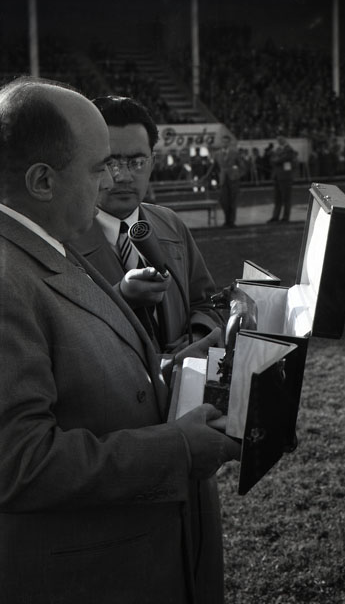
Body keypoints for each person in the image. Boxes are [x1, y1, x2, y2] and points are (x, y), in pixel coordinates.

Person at [0, 76, 240, 604]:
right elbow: (19, 462)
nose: (112, 181)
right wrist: (178, 446)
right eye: (98, 167)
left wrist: (174, 369)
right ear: (43, 181)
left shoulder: (48, 245)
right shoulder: (10, 277)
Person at [72, 95, 223, 355]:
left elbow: (206, 303)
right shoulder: (62, 241)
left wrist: (197, 336)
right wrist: (120, 297)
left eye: (137, 162)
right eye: (110, 162)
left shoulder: (171, 225)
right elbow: (61, 340)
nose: (124, 176)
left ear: (153, 161)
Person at [212, 134, 243, 228]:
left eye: (226, 142)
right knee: (224, 201)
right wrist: (216, 177)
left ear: (229, 143)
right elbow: (213, 167)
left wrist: (237, 175)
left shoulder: (235, 153)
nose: (224, 144)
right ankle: (227, 220)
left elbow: (242, 166)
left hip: (233, 179)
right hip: (223, 179)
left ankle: (231, 221)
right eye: (223, 142)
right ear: (221, 143)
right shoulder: (217, 154)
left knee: (233, 201)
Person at [267, 134, 298, 223]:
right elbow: (272, 160)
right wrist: (276, 159)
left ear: (285, 139)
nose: (279, 140)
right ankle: (275, 216)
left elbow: (280, 159)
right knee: (277, 198)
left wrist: (276, 159)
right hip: (278, 176)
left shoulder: (289, 149)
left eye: (281, 139)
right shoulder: (278, 149)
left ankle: (285, 217)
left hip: (285, 177)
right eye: (278, 139)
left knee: (286, 198)